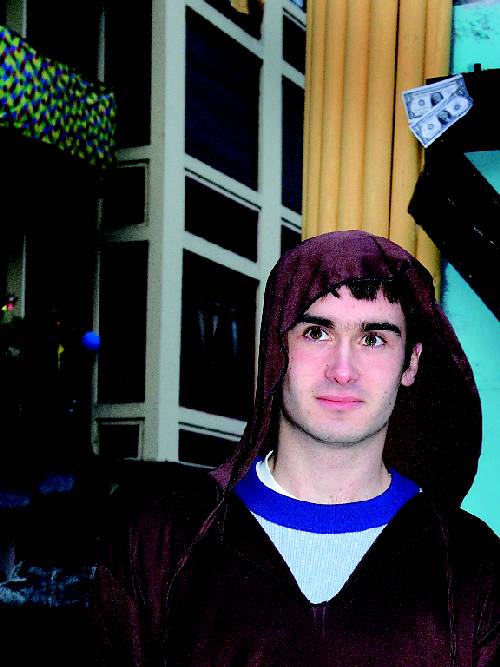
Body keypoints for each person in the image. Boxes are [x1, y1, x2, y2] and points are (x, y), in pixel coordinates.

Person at [93, 230, 499, 666]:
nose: (342, 370)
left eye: (373, 338)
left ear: (411, 362)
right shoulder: (159, 544)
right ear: (277, 346)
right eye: (316, 333)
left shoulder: (472, 566)